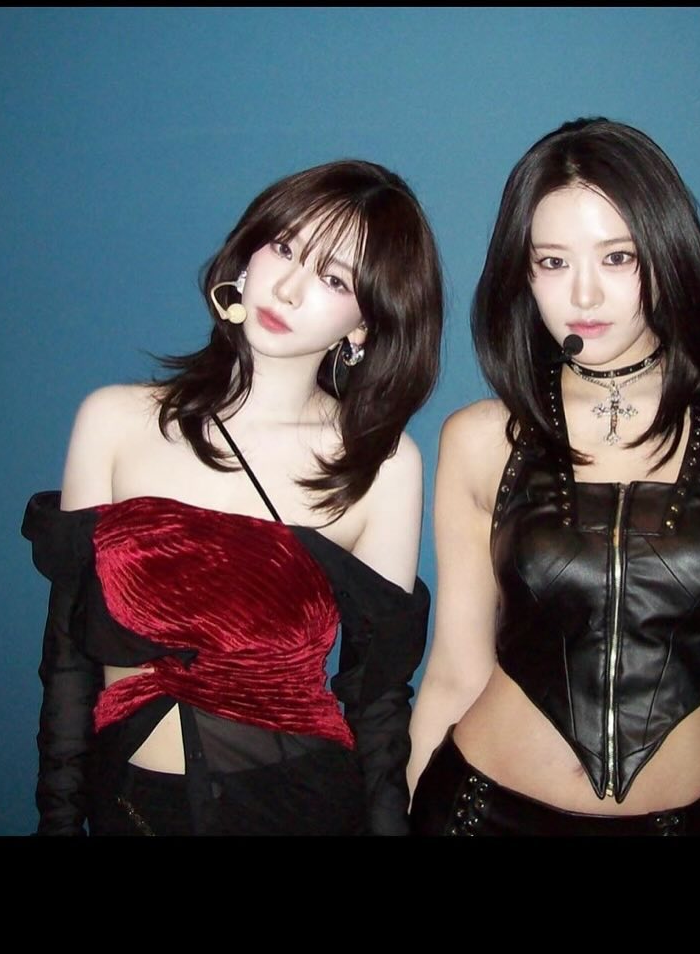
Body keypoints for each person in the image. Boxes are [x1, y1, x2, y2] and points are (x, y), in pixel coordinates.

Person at [408, 118, 700, 836]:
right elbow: (454, 670)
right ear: (524, 274)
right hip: (478, 812)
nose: (584, 296)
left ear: (666, 252)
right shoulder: (480, 438)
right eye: (552, 262)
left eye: (617, 257)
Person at [23, 160, 442, 835]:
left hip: (296, 804)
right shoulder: (113, 421)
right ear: (247, 253)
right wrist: (59, 820)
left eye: (334, 279)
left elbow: (379, 702)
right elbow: (69, 660)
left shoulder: (382, 462)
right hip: (129, 802)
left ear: (363, 324)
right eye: (285, 247)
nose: (291, 287)